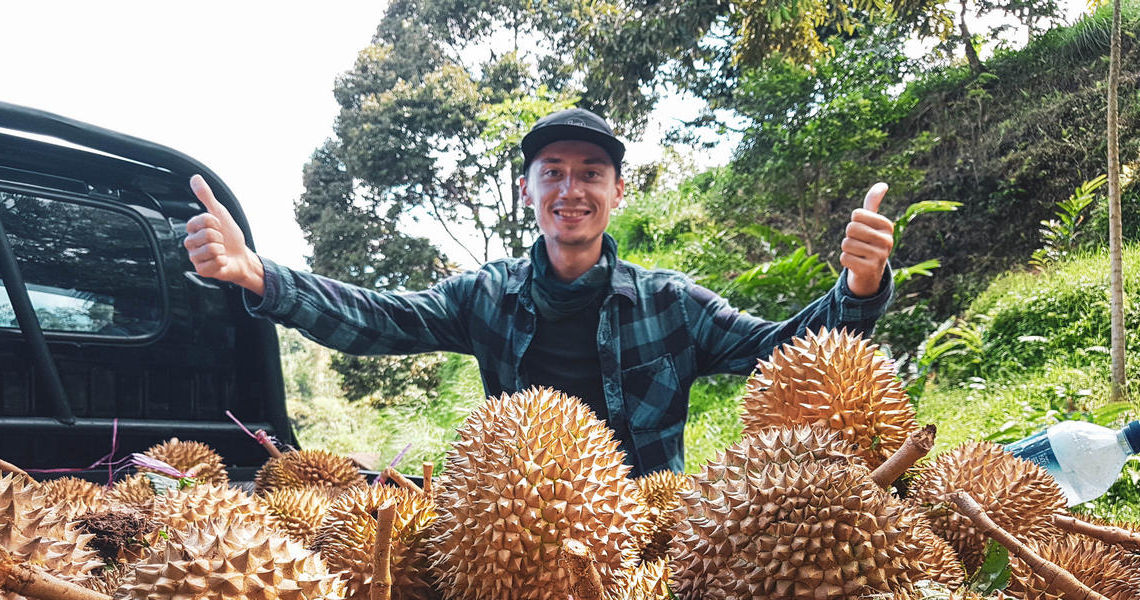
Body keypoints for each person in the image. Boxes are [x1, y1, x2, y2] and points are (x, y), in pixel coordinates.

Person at [184, 108, 895, 476]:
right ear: (528, 190)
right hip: (519, 523)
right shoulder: (486, 296)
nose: (571, 189)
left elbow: (784, 351)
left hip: (649, 524)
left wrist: (858, 287)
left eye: (590, 172)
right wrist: (261, 276)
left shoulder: (671, 304)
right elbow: (381, 320)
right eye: (551, 171)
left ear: (618, 191)